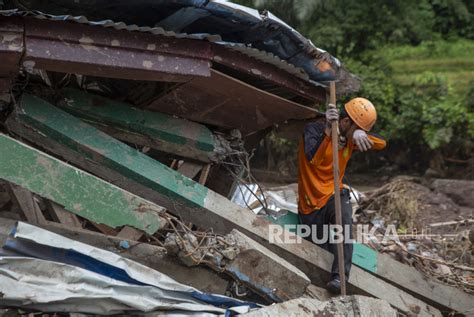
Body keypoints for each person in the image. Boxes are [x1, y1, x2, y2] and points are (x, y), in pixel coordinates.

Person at [297, 97, 386, 294]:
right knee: (323, 251)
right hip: (310, 205)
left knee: (344, 218)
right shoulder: (314, 130)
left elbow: (381, 143)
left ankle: (340, 277)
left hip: (333, 195)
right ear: (345, 122)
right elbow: (313, 159)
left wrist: (361, 133)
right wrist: (329, 131)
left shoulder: (351, 138)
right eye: (357, 128)